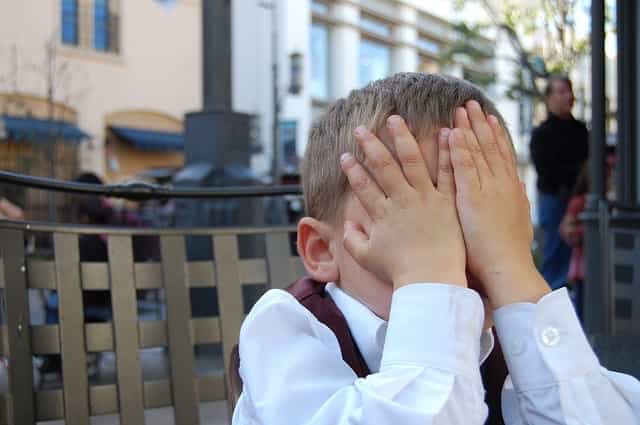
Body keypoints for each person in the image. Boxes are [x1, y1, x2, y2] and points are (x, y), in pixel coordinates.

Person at [232, 74, 640, 424]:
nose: (457, 254)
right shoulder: (286, 329)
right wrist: (426, 276)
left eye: (484, 222)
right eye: (417, 225)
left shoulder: (507, 338)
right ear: (323, 250)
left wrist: (512, 268)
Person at [530, 75, 589, 290]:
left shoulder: (581, 131)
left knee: (582, 260)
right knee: (554, 258)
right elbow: (546, 171)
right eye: (561, 91)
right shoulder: (541, 133)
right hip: (553, 200)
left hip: (580, 201)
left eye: (569, 91)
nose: (568, 96)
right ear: (549, 98)